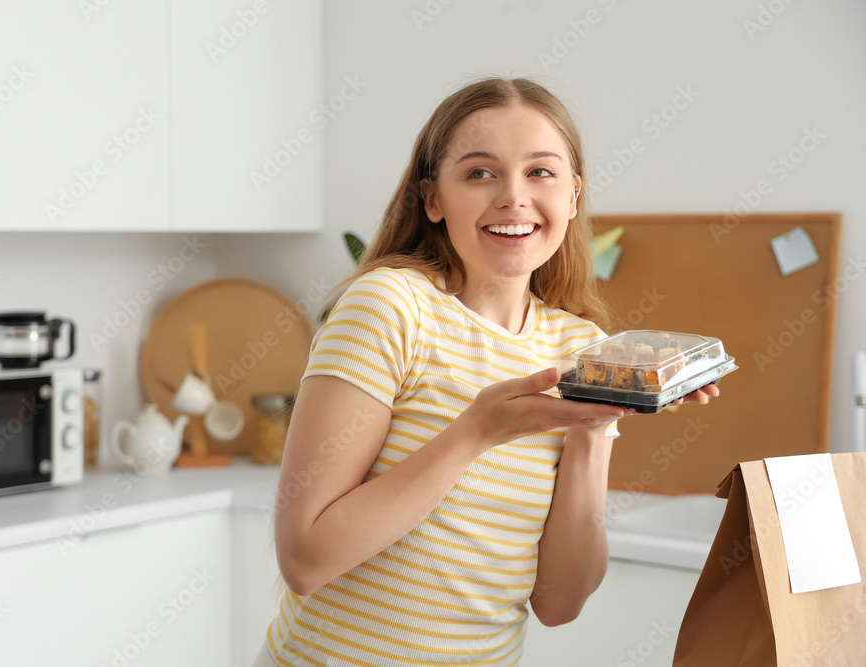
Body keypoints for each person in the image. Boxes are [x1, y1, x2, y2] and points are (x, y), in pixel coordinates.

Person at [252, 77, 717, 666]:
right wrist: (477, 431)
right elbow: (305, 560)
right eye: (479, 173)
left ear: (574, 196)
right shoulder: (391, 307)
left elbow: (559, 603)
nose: (513, 197)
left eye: (540, 172)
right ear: (432, 198)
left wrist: (595, 427)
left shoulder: (579, 349)